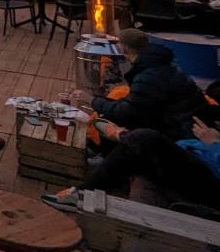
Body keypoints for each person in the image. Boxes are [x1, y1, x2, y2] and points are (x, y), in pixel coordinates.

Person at [47, 115, 220, 214]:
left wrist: (213, 144)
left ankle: (120, 136)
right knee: (142, 144)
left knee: (144, 139)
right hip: (200, 160)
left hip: (212, 184)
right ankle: (118, 140)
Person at [92, 29, 208, 140]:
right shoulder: (159, 63)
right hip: (185, 121)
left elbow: (127, 111)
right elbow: (137, 102)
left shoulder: (149, 75)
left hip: (180, 130)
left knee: (109, 120)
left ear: (125, 48)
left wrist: (93, 101)